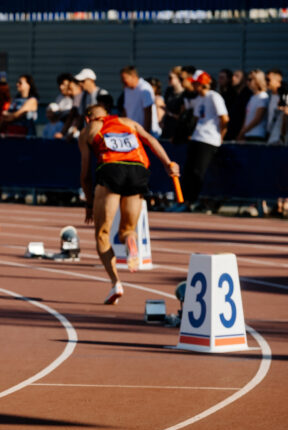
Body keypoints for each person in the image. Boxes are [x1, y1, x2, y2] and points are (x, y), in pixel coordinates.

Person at [78, 103, 179, 304]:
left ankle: (116, 282)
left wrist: (89, 203)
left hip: (111, 168)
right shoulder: (128, 122)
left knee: (103, 233)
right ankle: (130, 241)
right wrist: (168, 164)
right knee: (126, 230)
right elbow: (150, 140)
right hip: (137, 170)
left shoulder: (88, 130)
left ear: (88, 118)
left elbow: (85, 175)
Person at [179, 70, 229, 209]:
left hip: (209, 140)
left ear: (203, 84)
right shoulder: (199, 99)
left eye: (196, 84)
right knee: (188, 171)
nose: (194, 86)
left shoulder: (214, 97)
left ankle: (192, 201)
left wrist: (220, 137)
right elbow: (196, 118)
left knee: (198, 172)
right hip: (196, 138)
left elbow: (224, 118)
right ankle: (184, 201)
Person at [120, 65, 162, 137]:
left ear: (133, 76)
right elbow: (125, 110)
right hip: (132, 133)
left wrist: (145, 134)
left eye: (124, 78)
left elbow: (148, 112)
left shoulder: (144, 88)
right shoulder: (127, 89)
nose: (122, 81)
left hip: (146, 134)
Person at [237, 69, 268, 142]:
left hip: (257, 135)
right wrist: (242, 132)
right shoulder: (253, 97)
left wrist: (242, 132)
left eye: (250, 79)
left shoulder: (262, 97)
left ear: (258, 81)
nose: (247, 82)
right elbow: (247, 117)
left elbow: (257, 119)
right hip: (248, 134)